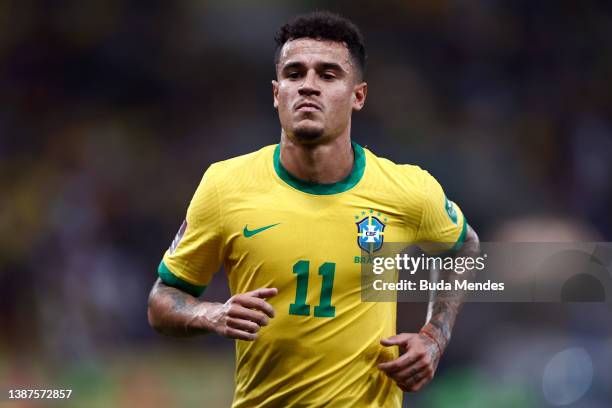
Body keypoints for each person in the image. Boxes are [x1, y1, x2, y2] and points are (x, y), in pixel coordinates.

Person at [147, 11, 480, 407]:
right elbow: (161, 302)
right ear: (276, 93)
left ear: (358, 95)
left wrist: (434, 337)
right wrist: (213, 315)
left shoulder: (406, 190)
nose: (308, 86)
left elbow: (464, 247)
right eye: (294, 73)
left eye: (328, 75)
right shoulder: (225, 186)